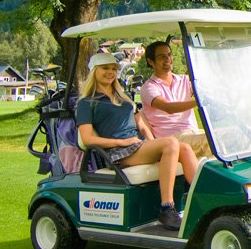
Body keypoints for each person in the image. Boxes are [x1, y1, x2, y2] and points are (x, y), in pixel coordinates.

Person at [76, 52, 197, 230]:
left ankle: (202, 201)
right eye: (105, 68)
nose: (110, 72)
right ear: (94, 71)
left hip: (136, 145)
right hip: (117, 152)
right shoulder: (87, 103)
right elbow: (87, 139)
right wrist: (122, 143)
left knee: (184, 148)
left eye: (113, 69)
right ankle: (167, 208)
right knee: (171, 143)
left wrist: (153, 143)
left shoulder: (123, 98)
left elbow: (142, 125)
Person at [139, 40, 212, 158]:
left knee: (233, 135)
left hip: (193, 133)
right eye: (162, 56)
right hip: (171, 140)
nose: (168, 59)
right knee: (212, 141)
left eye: (169, 54)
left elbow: (204, 91)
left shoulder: (184, 80)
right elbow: (169, 108)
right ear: (151, 61)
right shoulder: (149, 88)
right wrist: (199, 101)